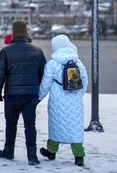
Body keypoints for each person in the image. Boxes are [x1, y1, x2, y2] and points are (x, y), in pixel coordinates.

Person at [0, 21, 47, 165]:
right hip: (31, 96)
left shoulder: (6, 51)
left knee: (11, 124)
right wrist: (39, 94)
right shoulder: (38, 51)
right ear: (26, 32)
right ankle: (32, 157)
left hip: (12, 95)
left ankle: (8, 151)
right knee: (30, 126)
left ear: (13, 33)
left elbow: (0, 74)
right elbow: (44, 75)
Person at [38, 35, 88, 166]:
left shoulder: (52, 64)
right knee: (74, 127)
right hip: (75, 100)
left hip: (57, 101)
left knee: (56, 125)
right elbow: (85, 81)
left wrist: (38, 98)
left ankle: (51, 151)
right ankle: (79, 156)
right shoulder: (78, 62)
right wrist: (79, 95)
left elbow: (45, 84)